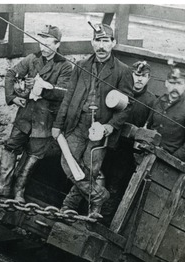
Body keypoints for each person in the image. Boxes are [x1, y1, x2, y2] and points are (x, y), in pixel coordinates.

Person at [52, 23, 133, 219]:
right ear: (92, 43)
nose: (101, 46)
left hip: (99, 130)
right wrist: (57, 125)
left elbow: (128, 107)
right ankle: (99, 196)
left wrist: (108, 127)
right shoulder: (81, 66)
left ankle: (68, 207)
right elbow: (69, 98)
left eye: (106, 41)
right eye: (98, 41)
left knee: (90, 169)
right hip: (77, 125)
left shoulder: (122, 71)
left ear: (113, 43)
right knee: (67, 163)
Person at [0, 25, 72, 202]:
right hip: (25, 117)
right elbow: (11, 74)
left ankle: (19, 191)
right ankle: (2, 186)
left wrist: (41, 88)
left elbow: (63, 93)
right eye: (41, 43)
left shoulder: (64, 66)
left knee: (33, 157)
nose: (43, 48)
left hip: (44, 121)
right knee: (10, 148)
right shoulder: (32, 59)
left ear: (57, 44)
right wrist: (13, 97)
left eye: (48, 44)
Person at [101, 60, 156, 222]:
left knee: (115, 185)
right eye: (136, 75)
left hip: (126, 152)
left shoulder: (151, 101)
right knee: (97, 177)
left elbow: (149, 126)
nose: (139, 79)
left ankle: (104, 220)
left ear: (149, 78)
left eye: (144, 76)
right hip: (106, 144)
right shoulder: (119, 92)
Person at [147, 66, 185, 162]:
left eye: (179, 84)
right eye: (172, 83)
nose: (175, 87)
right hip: (149, 153)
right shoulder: (158, 102)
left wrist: (172, 159)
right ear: (166, 83)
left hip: (169, 162)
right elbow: (148, 126)